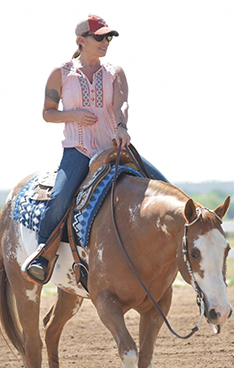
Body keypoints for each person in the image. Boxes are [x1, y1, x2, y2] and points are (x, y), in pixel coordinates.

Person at [26, 14, 167, 283]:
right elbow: (48, 113)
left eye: (109, 37)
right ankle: (43, 256)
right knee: (59, 199)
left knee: (166, 187)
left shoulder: (115, 72)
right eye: (100, 37)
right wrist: (74, 115)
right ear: (81, 40)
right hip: (78, 150)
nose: (106, 42)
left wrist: (122, 127)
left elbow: (121, 105)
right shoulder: (61, 74)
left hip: (115, 149)